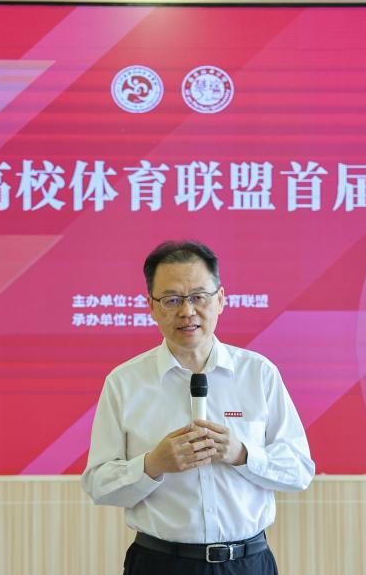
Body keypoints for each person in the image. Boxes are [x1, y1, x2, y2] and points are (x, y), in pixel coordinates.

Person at [82, 240, 315, 575]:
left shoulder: (259, 374)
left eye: (198, 297)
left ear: (220, 299)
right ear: (151, 307)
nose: (187, 311)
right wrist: (152, 464)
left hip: (247, 562)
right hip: (160, 563)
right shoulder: (125, 382)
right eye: (172, 300)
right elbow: (98, 484)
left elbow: (299, 471)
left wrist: (243, 455)